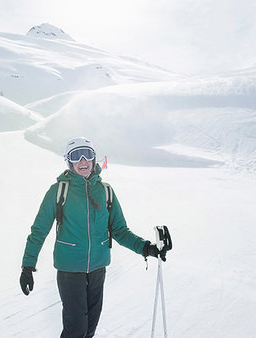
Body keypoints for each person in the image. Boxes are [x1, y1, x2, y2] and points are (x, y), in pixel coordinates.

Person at [20, 137, 168, 338]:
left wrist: (147, 248)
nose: (83, 161)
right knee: (76, 329)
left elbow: (120, 230)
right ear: (69, 161)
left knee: (89, 328)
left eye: (87, 155)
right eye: (76, 156)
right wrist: (28, 266)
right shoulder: (58, 191)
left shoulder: (106, 191)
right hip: (70, 270)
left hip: (98, 268)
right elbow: (39, 230)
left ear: (94, 159)